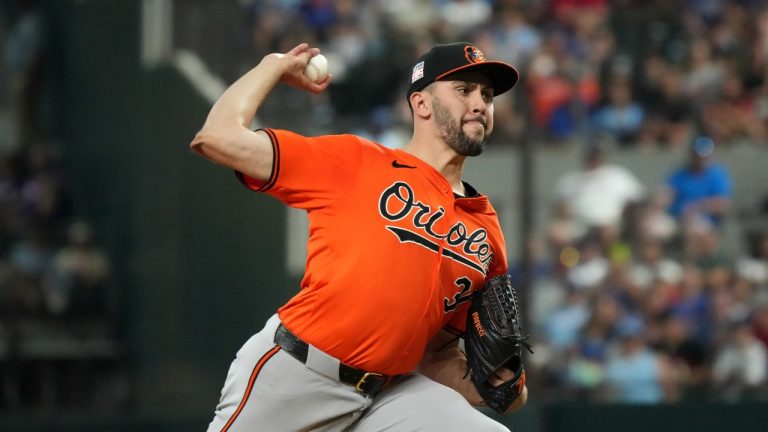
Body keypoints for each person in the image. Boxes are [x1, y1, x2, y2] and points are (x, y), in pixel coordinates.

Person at [191, 42, 528, 431]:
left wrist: (492, 386)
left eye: (487, 95)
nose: (480, 104)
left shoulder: (484, 232)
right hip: (299, 375)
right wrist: (271, 67)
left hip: (387, 396)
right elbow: (216, 137)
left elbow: (437, 353)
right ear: (421, 104)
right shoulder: (356, 162)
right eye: (464, 90)